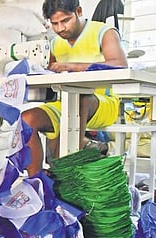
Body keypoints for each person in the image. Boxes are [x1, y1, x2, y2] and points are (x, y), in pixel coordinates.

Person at [22, 0, 128, 177]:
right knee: (27, 119)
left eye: (65, 20)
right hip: (65, 104)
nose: (60, 28)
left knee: (81, 97)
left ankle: (63, 172)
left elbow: (120, 65)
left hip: (103, 104)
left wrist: (74, 66)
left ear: (78, 11)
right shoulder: (55, 43)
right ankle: (36, 183)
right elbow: (49, 74)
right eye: (54, 23)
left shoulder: (104, 32)